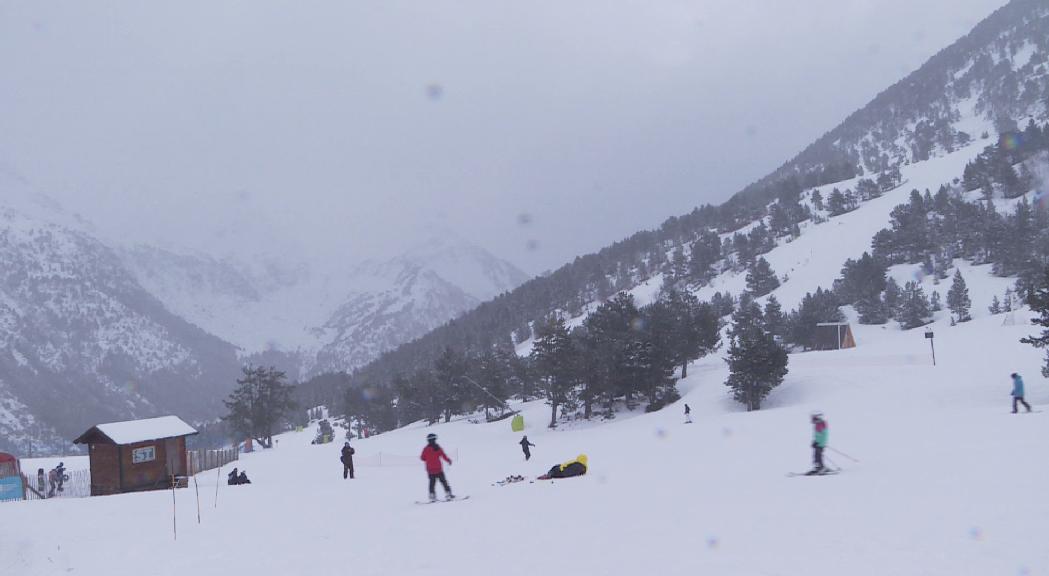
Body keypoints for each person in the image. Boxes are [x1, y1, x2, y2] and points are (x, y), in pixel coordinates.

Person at [420, 433, 454, 501]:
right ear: (435, 439)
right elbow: (443, 456)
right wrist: (449, 461)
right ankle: (448, 494)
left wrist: (428, 458)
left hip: (430, 470)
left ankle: (432, 496)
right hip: (438, 469)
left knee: (432, 483)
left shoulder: (425, 449)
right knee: (443, 482)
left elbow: (422, 458)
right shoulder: (437, 447)